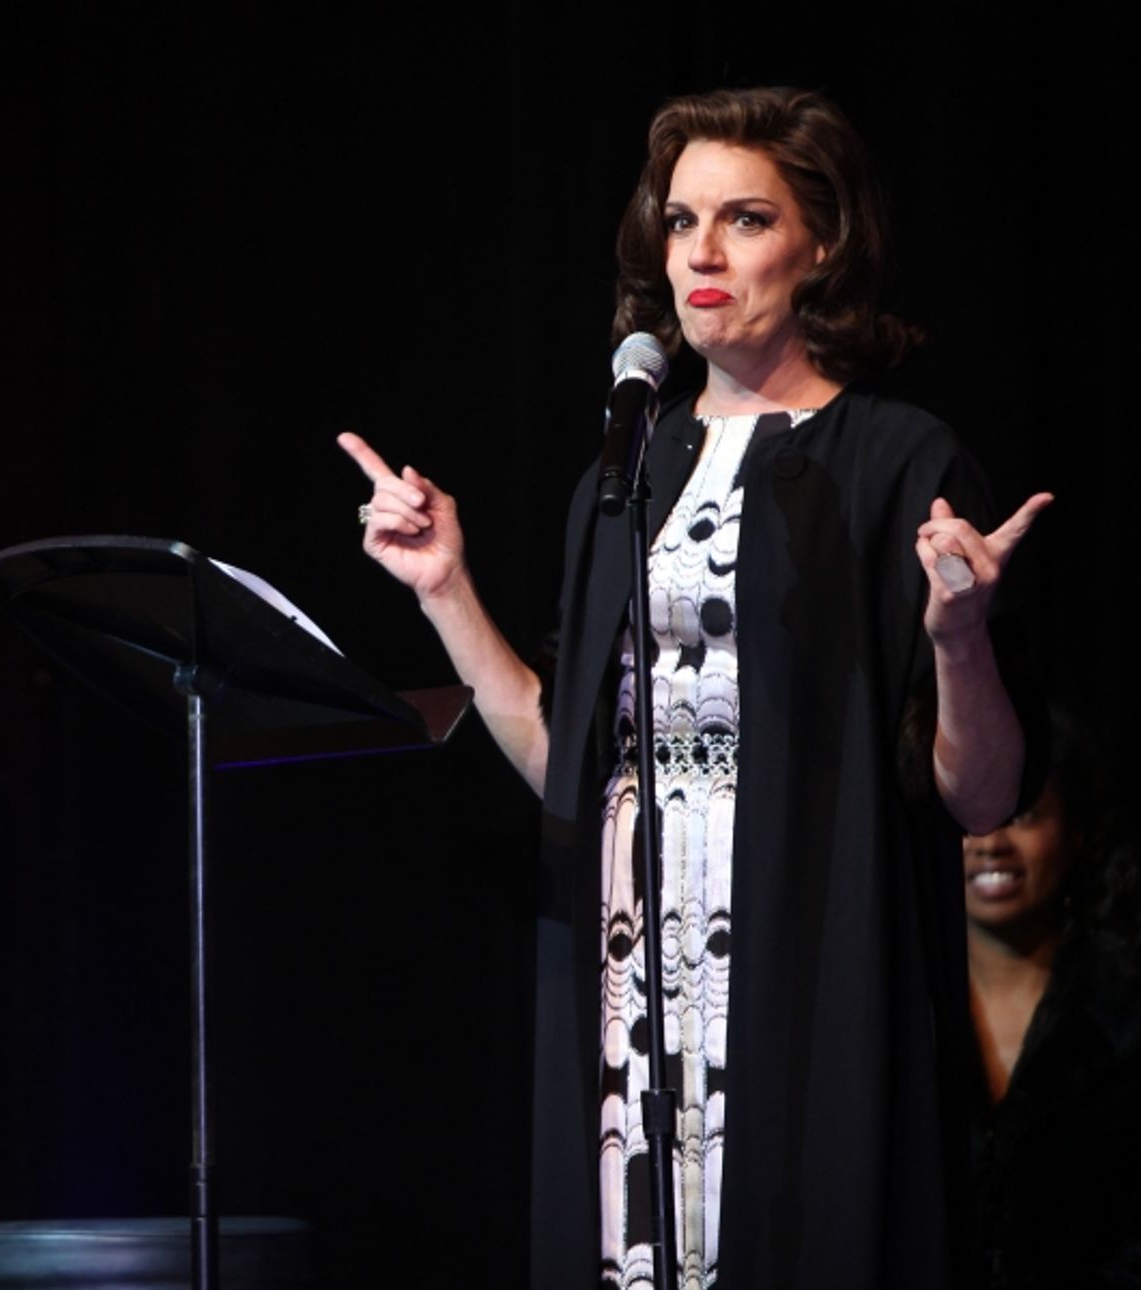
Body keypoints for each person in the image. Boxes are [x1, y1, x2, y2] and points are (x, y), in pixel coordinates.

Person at [340, 87, 1050, 1290]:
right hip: (629, 966)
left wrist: (960, 635)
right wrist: (444, 590)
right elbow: (572, 762)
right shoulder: (625, 470)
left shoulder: (899, 461)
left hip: (804, 954)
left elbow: (980, 796)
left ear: (821, 244)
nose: (702, 254)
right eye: (680, 223)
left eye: (745, 219)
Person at [965, 711, 1141, 1288]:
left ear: (1075, 831)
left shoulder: (1124, 1002)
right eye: (970, 819)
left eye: (1022, 814)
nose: (991, 843)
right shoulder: (898, 1007)